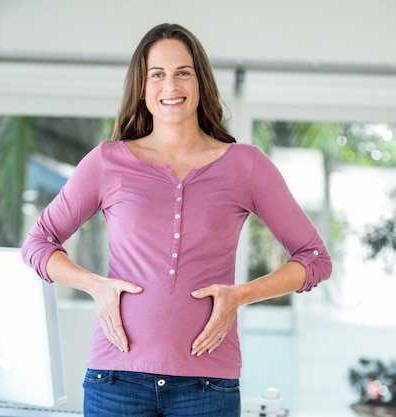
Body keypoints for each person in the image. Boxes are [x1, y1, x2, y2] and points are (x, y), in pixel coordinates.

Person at [21, 22, 332, 417]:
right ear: (142, 87)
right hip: (116, 380)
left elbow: (314, 259)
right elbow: (38, 243)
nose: (172, 85)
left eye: (183, 72)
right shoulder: (107, 162)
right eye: (158, 74)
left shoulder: (246, 166)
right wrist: (94, 285)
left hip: (208, 387)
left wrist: (240, 296)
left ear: (200, 81)